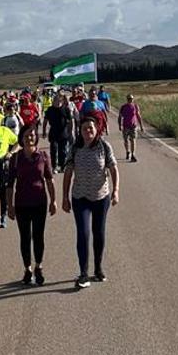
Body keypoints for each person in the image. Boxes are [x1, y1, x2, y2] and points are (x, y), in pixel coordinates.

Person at [62, 117, 118, 289]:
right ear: (80, 130)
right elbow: (68, 172)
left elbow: (113, 168)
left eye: (91, 128)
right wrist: (64, 196)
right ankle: (83, 273)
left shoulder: (104, 146)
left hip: (101, 197)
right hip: (81, 198)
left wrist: (116, 190)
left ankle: (98, 268)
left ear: (96, 129)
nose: (88, 131)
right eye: (85, 128)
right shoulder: (75, 148)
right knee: (84, 233)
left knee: (99, 233)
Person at [6, 125, 56, 286]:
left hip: (39, 202)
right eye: (27, 135)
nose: (30, 138)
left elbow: (49, 179)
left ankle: (38, 266)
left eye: (32, 135)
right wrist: (10, 206)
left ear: (36, 137)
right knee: (25, 237)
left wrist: (54, 200)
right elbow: (9, 184)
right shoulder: (16, 158)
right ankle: (27, 268)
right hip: (21, 203)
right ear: (21, 138)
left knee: (38, 236)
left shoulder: (43, 156)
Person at [43, 93, 74, 172]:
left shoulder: (65, 109)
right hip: (53, 132)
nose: (57, 102)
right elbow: (45, 121)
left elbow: (70, 121)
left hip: (63, 133)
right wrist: (44, 131)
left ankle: (62, 166)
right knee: (53, 149)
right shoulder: (50, 110)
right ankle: (54, 166)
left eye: (59, 101)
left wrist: (70, 132)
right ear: (53, 101)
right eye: (55, 101)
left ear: (62, 101)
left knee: (62, 151)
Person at [119, 93, 145, 162]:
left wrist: (141, 126)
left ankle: (133, 154)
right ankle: (127, 151)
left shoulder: (135, 106)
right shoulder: (123, 107)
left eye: (131, 99)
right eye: (129, 99)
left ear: (133, 99)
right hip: (125, 126)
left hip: (133, 126)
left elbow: (138, 116)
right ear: (127, 99)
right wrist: (120, 125)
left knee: (133, 140)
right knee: (126, 140)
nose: (130, 100)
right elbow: (120, 116)